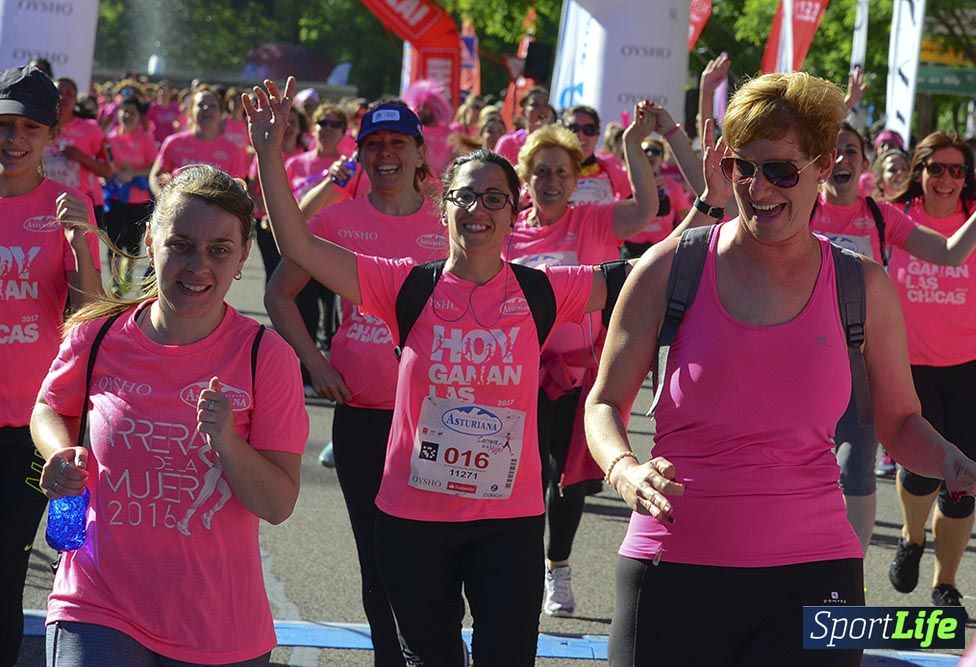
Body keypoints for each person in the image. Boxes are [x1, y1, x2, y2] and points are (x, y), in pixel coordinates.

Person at [584, 72, 976, 667]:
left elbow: (901, 421)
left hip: (818, 575)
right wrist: (624, 470)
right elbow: (603, 403)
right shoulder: (667, 268)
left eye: (781, 170)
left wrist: (954, 463)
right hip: (673, 562)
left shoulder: (862, 285)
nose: (758, 187)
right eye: (742, 169)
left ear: (823, 167)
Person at [247, 76, 630, 667]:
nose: (478, 209)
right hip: (415, 521)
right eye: (465, 197)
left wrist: (713, 205)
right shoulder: (406, 283)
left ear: (512, 212)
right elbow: (296, 245)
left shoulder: (541, 290)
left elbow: (641, 273)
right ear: (445, 205)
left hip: (509, 523)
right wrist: (270, 156)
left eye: (494, 199)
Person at [31, 165, 308, 665]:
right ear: (152, 240)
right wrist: (60, 451)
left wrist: (227, 441)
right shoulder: (98, 336)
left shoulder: (265, 356)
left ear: (243, 256)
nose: (197, 265)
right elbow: (50, 406)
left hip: (219, 628)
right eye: (180, 244)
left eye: (218, 250)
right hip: (96, 604)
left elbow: (278, 503)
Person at [264, 100, 445, 666]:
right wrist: (314, 363)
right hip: (363, 415)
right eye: (374, 145)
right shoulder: (336, 221)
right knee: (377, 557)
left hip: (439, 420)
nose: (385, 154)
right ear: (361, 154)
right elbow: (277, 294)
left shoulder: (451, 222)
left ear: (420, 152)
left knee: (436, 556)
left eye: (397, 143)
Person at [503, 108, 694, 617]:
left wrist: (634, 143)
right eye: (540, 171)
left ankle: (557, 568)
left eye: (561, 172)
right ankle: (516, 571)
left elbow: (647, 207)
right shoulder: (508, 231)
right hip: (514, 377)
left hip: (575, 376)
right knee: (517, 479)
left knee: (567, 481)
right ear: (526, 176)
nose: (550, 181)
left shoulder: (592, 219)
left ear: (576, 179)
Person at [811, 124, 976, 552]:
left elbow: (951, 252)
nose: (841, 160)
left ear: (863, 163)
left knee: (855, 470)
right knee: (790, 469)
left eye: (851, 152)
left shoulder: (881, 216)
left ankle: (849, 575)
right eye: (832, 152)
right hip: (797, 359)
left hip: (861, 362)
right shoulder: (798, 207)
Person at [0, 65, 102, 667]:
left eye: (29, 128)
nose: (13, 139)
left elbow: (89, 313)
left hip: (34, 421)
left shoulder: (66, 204)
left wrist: (82, 242)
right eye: (5, 125)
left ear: (51, 136)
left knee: (11, 556)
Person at [886, 132, 976, 611]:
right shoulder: (895, 216)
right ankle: (912, 538)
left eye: (957, 170)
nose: (947, 179)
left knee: (963, 481)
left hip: (974, 365)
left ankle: (946, 583)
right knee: (919, 472)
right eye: (936, 168)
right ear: (920, 171)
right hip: (909, 364)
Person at [104, 95, 158, 292]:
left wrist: (132, 173)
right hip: (115, 198)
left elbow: (154, 167)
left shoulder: (145, 139)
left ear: (138, 116)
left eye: (132, 113)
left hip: (139, 199)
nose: (127, 115)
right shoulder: (109, 138)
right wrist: (114, 174)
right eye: (124, 111)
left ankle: (128, 271)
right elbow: (104, 164)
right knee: (114, 242)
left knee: (134, 244)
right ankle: (117, 281)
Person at [150, 87, 246, 194]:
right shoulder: (173, 142)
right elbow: (155, 176)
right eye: (200, 105)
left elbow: (238, 189)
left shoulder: (232, 150)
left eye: (213, 106)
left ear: (221, 113)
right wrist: (164, 199)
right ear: (191, 112)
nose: (206, 108)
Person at [43, 77, 112, 226]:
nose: (63, 97)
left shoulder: (91, 128)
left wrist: (80, 157)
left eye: (69, 94)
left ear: (76, 99)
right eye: (58, 92)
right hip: (45, 203)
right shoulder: (38, 125)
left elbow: (108, 172)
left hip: (80, 204)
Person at [622, 137, 694, 258]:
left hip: (661, 248)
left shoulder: (672, 186)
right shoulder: (626, 182)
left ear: (662, 158)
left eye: (655, 151)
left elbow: (685, 215)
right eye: (645, 150)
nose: (650, 154)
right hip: (632, 248)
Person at [562, 105, 631, 206]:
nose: (581, 135)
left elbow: (647, 206)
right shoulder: (550, 170)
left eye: (589, 129)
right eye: (573, 129)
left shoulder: (610, 169)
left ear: (597, 134)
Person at [494, 86, 553, 166]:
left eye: (546, 105)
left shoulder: (557, 143)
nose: (542, 110)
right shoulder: (508, 142)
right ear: (523, 111)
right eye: (535, 105)